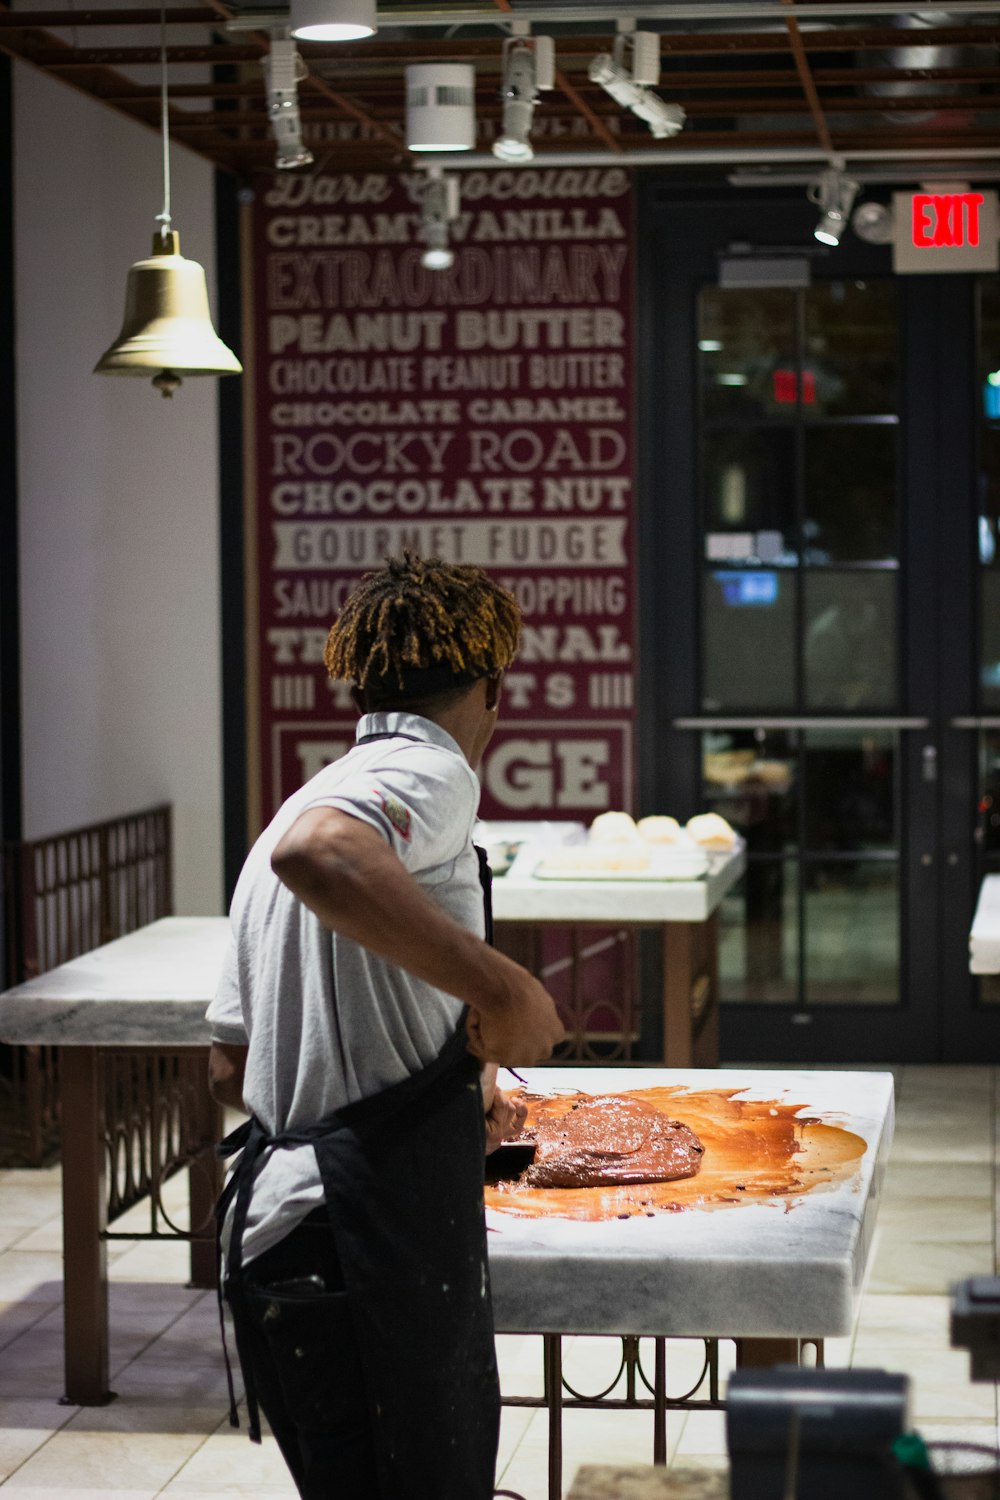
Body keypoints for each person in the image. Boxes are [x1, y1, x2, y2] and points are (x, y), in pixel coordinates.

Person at [205, 554, 565, 1500]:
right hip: (364, 1241)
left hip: (283, 1244)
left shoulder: (288, 810)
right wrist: (506, 993)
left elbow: (230, 1062)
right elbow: (323, 857)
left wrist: (451, 1082)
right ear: (493, 688)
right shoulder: (426, 771)